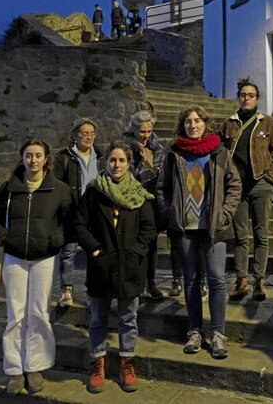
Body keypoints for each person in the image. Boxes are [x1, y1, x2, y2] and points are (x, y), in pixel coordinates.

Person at [0, 139, 72, 394]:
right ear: (22, 158)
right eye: (28, 155)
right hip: (14, 257)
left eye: (38, 155)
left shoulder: (60, 189)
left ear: (46, 159)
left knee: (39, 313)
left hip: (44, 258)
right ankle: (14, 370)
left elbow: (69, 223)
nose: (33, 160)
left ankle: (34, 366)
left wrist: (54, 239)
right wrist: (2, 237)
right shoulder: (8, 188)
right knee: (15, 314)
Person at [157, 106, 242, 359]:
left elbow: (234, 184)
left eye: (197, 121)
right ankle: (195, 331)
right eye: (187, 122)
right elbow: (161, 187)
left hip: (213, 229)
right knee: (191, 280)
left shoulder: (220, 152)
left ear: (206, 124)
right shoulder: (174, 154)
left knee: (216, 280)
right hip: (184, 229)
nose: (192, 125)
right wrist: (170, 212)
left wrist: (225, 213)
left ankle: (218, 334)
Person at [74, 141, 156, 393]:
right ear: (105, 162)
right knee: (98, 318)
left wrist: (136, 252)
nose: (116, 165)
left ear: (129, 164)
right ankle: (98, 362)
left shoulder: (139, 194)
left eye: (121, 161)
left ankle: (126, 363)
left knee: (128, 318)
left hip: (130, 268)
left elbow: (148, 229)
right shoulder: (94, 191)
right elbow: (79, 225)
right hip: (101, 266)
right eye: (112, 160)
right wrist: (95, 249)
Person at [220, 77, 273, 301]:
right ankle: (241, 279)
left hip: (260, 184)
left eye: (251, 95)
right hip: (237, 188)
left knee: (261, 233)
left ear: (257, 99)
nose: (246, 98)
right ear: (239, 97)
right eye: (243, 95)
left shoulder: (267, 122)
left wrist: (271, 177)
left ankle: (259, 280)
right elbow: (221, 153)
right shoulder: (229, 123)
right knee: (240, 235)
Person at [53, 118, 105, 307]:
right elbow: (56, 186)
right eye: (84, 133)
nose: (89, 137)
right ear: (75, 135)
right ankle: (67, 290)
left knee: (95, 252)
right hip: (73, 212)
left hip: (96, 212)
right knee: (69, 252)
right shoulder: (64, 157)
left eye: (92, 133)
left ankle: (93, 290)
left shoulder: (100, 156)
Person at [122, 110, 165, 300]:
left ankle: (151, 283)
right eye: (142, 132)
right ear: (134, 130)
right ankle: (134, 283)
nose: (146, 136)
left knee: (152, 244)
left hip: (152, 202)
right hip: (133, 202)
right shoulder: (126, 150)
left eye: (149, 132)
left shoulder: (158, 149)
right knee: (133, 245)